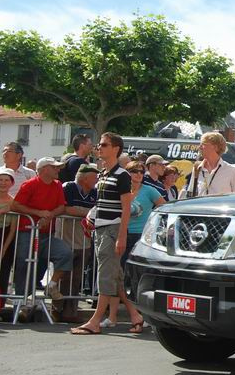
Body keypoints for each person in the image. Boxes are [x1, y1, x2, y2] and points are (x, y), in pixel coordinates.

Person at [71, 133, 145, 335]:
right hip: (102, 229)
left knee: (105, 275)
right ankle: (135, 316)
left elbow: (126, 207)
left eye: (104, 145)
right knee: (115, 277)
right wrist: (91, 216)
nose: (99, 148)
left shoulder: (122, 175)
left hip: (112, 230)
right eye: (99, 144)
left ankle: (95, 321)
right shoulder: (104, 173)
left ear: (116, 149)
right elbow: (102, 203)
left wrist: (121, 236)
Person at [99, 160, 165, 329]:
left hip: (139, 236)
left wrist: (154, 227)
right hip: (120, 233)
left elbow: (164, 208)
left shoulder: (149, 190)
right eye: (134, 171)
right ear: (127, 173)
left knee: (133, 277)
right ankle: (112, 317)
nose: (138, 174)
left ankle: (139, 315)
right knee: (116, 275)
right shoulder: (122, 190)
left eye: (142, 172)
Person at [11, 157, 71, 303]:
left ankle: (51, 286)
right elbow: (15, 205)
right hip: (27, 232)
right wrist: (39, 214)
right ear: (44, 169)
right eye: (54, 167)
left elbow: (61, 207)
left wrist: (49, 216)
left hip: (46, 234)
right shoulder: (29, 184)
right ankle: (21, 301)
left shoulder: (57, 185)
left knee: (65, 253)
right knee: (24, 264)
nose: (58, 170)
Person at [56, 163, 99, 323]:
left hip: (84, 240)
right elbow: (66, 209)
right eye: (94, 177)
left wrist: (81, 211)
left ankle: (70, 311)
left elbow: (96, 211)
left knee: (76, 278)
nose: (96, 180)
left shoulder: (95, 192)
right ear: (84, 178)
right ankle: (57, 308)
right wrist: (87, 213)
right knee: (63, 275)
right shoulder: (69, 187)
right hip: (66, 237)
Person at [179, 132, 235, 198]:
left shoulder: (232, 170)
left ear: (215, 147)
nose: (199, 147)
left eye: (203, 144)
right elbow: (190, 195)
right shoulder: (197, 168)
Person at [0, 168, 16, 310]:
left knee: (3, 271)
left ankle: (0, 305)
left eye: (6, 180)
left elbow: (13, 229)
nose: (3, 183)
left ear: (11, 183)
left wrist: (3, 249)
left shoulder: (13, 202)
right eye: (0, 180)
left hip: (5, 237)